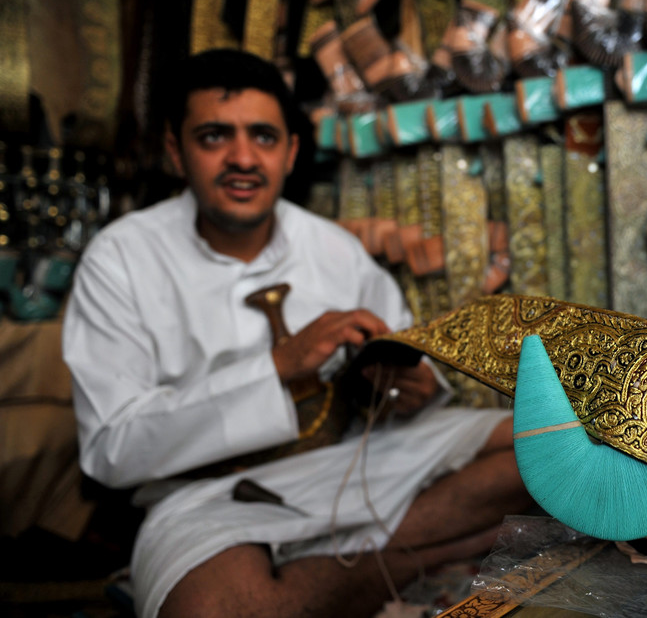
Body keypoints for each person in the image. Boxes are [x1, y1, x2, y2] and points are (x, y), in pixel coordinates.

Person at [62, 48, 532, 618]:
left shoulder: (334, 249)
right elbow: (110, 449)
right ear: (175, 152)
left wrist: (413, 389)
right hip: (210, 495)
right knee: (225, 609)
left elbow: (409, 370)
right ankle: (418, 553)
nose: (242, 158)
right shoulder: (121, 259)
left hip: (352, 464)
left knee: (546, 446)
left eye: (262, 137)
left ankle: (331, 569)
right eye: (214, 137)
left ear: (290, 152)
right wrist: (277, 368)